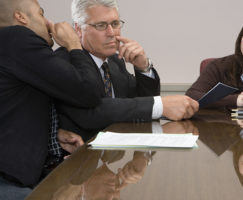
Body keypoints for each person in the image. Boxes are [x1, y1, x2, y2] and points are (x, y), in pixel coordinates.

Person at [0, 0, 104, 198]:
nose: (48, 22)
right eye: (41, 14)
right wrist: (74, 44)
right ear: (21, 17)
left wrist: (52, 136)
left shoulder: (7, 46)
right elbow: (89, 93)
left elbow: (11, 109)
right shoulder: (17, 38)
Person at [54, 0, 199, 141]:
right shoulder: (63, 61)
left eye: (115, 24)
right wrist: (160, 106)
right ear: (79, 29)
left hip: (114, 159)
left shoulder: (114, 60)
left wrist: (143, 67)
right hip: (80, 158)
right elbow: (92, 112)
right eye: (101, 25)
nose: (111, 33)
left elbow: (141, 103)